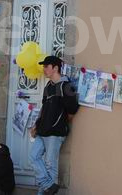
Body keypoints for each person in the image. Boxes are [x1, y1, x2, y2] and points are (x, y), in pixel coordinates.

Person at [30, 56, 79, 195]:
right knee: (33, 156)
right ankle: (48, 185)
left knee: (50, 166)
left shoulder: (66, 86)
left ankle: (44, 191)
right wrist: (36, 125)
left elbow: (72, 110)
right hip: (42, 130)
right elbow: (44, 107)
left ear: (55, 68)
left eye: (46, 66)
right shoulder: (48, 86)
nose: (44, 69)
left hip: (55, 133)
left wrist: (59, 123)